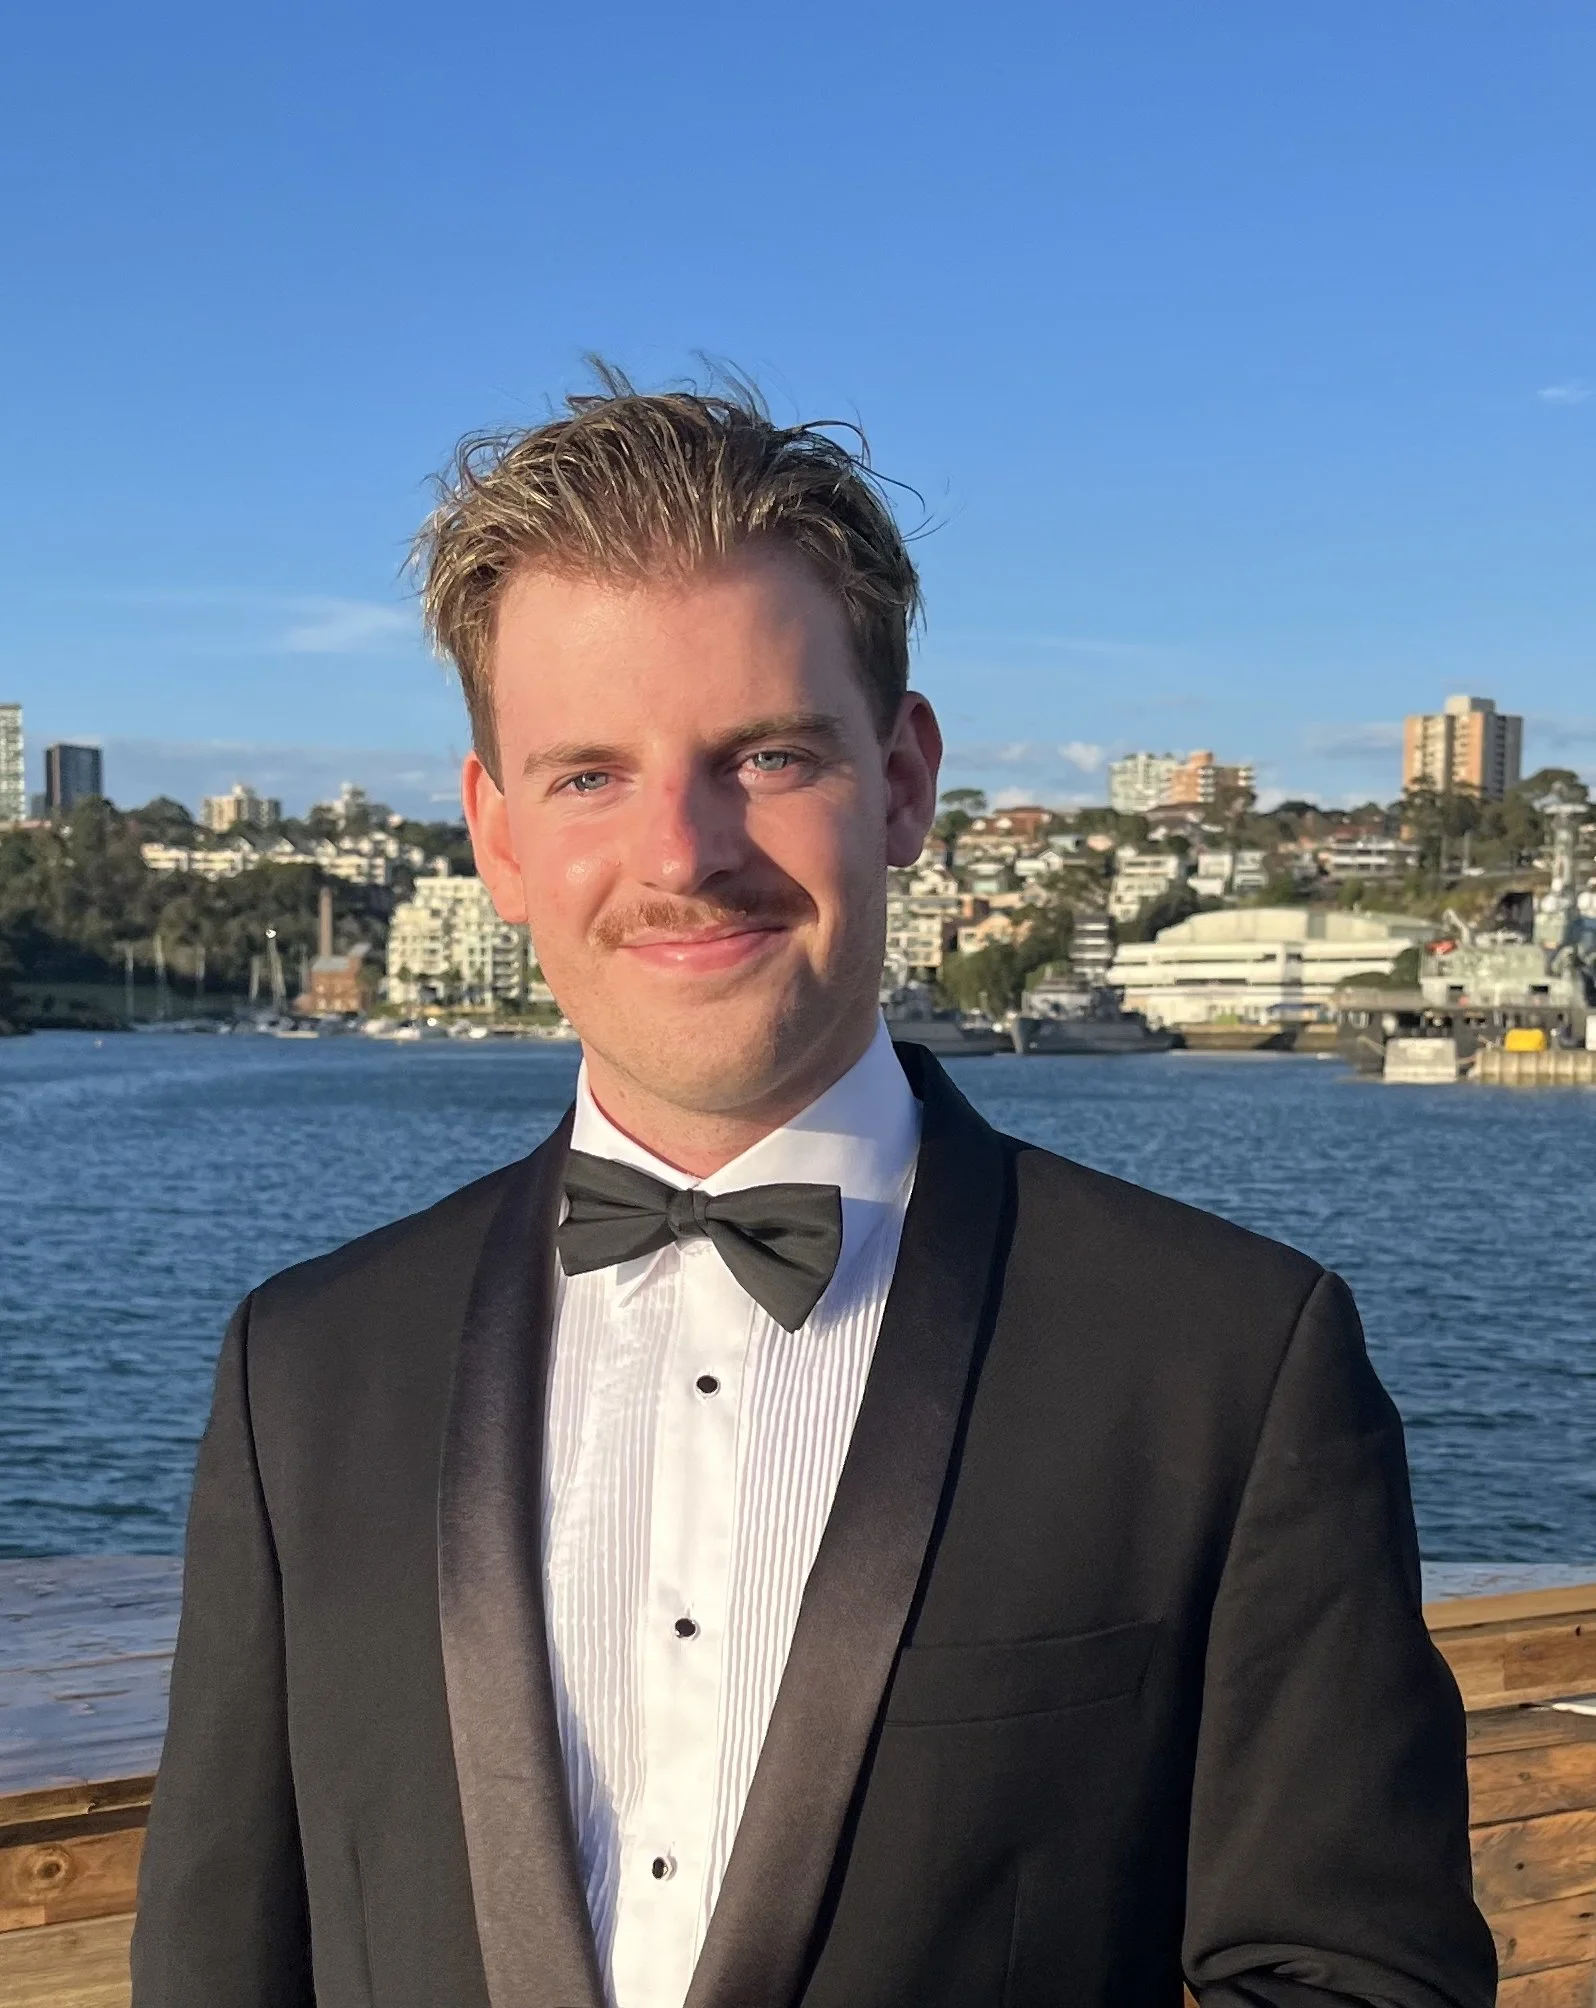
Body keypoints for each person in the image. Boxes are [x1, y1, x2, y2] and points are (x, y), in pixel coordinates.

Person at [132, 371, 1495, 2008]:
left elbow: (1363, 1982)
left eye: (767, 755)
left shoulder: (1228, 1363)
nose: (684, 852)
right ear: (494, 835)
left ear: (904, 783)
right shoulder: (301, 1372)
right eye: (588, 775)